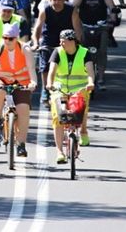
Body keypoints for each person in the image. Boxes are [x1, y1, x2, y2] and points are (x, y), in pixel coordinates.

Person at [0, 23, 37, 157]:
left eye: (11, 39)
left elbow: (31, 68)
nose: (8, 41)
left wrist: (33, 82)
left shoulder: (25, 48)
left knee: (23, 110)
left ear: (17, 38)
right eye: (5, 38)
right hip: (1, 79)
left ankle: (21, 144)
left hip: (21, 82)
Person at [46, 29, 95, 163]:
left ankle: (83, 131)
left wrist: (90, 82)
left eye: (64, 40)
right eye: (60, 40)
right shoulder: (57, 52)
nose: (61, 43)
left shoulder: (84, 53)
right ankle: (59, 151)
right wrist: (50, 84)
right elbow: (51, 71)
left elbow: (90, 71)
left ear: (72, 41)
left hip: (79, 88)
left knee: (81, 109)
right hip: (60, 88)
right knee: (58, 117)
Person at [31, 0, 82, 106]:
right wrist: (35, 42)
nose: (57, 2)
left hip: (66, 40)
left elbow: (77, 28)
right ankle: (45, 90)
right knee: (44, 66)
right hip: (49, 40)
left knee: (68, 66)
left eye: (59, 0)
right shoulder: (46, 10)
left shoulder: (71, 10)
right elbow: (38, 27)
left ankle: (69, 90)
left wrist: (78, 42)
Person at [72, 0, 116, 90]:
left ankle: (100, 78)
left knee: (102, 52)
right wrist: (73, 22)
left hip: (101, 26)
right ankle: (82, 76)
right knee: (81, 52)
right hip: (84, 26)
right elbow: (74, 7)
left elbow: (111, 6)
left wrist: (113, 17)